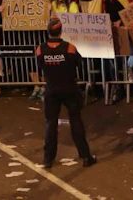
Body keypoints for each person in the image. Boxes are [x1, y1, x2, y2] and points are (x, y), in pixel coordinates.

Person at [36, 17, 95, 170]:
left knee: (51, 123)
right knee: (76, 121)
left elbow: (41, 65)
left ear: (48, 31)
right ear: (61, 31)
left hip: (51, 88)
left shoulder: (40, 49)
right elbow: (78, 64)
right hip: (69, 87)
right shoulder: (69, 48)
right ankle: (86, 156)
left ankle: (47, 159)